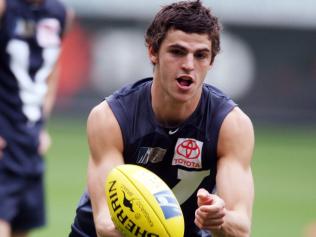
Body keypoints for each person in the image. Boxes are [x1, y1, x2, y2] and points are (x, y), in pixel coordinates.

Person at [69, 0, 255, 236]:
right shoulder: (111, 117)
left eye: (200, 55)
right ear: (153, 51)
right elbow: (106, 225)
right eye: (177, 52)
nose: (188, 65)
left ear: (212, 61)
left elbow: (241, 228)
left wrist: (219, 218)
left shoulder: (231, 125)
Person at [0, 0, 74, 236]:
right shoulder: (5, 7)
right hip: (3, 137)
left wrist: (41, 126)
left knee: (23, 227)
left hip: (29, 142)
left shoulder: (61, 14)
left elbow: (51, 72)